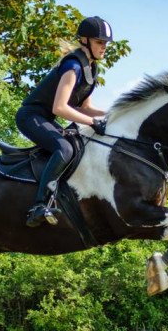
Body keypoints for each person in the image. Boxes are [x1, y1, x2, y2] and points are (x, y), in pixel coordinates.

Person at [16, 16, 112, 227]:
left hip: (45, 118)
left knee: (79, 145)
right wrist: (92, 122)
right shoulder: (73, 66)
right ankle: (39, 205)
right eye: (99, 42)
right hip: (30, 116)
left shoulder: (91, 69)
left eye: (105, 43)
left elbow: (84, 107)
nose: (104, 47)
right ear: (85, 41)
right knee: (65, 149)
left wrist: (111, 113)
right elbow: (59, 108)